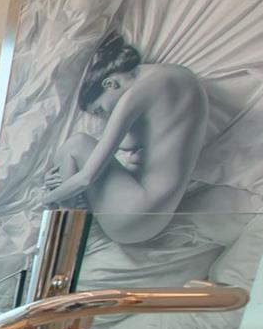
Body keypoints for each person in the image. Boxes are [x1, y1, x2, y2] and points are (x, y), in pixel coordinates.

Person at [40, 31, 209, 244]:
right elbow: (135, 144)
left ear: (110, 84)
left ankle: (63, 237)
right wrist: (64, 177)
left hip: (133, 213)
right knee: (72, 159)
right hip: (157, 220)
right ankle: (65, 221)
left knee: (75, 144)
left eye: (100, 110)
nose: (107, 117)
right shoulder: (182, 77)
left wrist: (47, 198)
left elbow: (86, 178)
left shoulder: (134, 96)